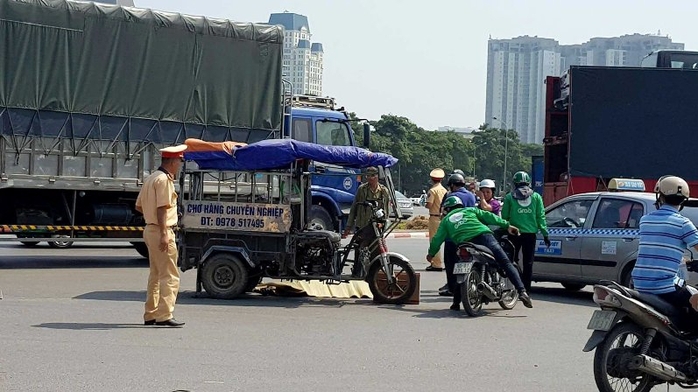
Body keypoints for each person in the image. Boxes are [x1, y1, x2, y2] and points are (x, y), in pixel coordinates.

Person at [426, 196, 533, 310]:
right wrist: (507, 225)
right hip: (484, 238)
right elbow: (490, 216)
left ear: (447, 209)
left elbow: (437, 239)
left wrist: (431, 254)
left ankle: (456, 303)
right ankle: (522, 291)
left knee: (460, 269)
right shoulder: (470, 210)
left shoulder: (446, 221)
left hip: (464, 243)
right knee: (505, 262)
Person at [135, 144, 188, 327]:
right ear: (172, 161)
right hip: (161, 230)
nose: (180, 165)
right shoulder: (164, 180)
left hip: (150, 229)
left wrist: (151, 220)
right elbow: (162, 208)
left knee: (155, 275)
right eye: (179, 161)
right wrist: (165, 232)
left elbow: (139, 205)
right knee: (170, 275)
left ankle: (150, 314)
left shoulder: (151, 178)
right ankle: (164, 315)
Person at [632, 176, 698, 313]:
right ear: (684, 201)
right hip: (665, 287)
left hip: (638, 283)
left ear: (660, 197)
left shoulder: (645, 220)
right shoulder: (683, 224)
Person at [501, 171, 549, 292]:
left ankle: (513, 287)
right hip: (530, 235)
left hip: (513, 233)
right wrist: (545, 234)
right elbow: (541, 217)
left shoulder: (509, 197)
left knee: (511, 261)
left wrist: (503, 229)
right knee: (528, 262)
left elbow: (504, 216)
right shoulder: (536, 197)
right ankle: (526, 289)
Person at [343, 166, 391, 276]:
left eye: (372, 176)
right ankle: (356, 275)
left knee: (377, 255)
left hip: (376, 229)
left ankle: (374, 278)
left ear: (377, 177)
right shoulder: (362, 189)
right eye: (368, 176)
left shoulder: (384, 191)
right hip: (362, 228)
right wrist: (348, 226)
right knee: (359, 254)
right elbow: (354, 208)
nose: (370, 178)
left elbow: (386, 212)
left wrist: (382, 225)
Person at [438, 172, 477, 294]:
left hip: (452, 236)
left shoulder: (451, 197)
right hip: (468, 235)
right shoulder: (471, 196)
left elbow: (444, 215)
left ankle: (452, 288)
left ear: (453, 185)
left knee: (450, 265)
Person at [425, 168, 448, 271]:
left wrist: (425, 204)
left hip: (434, 217)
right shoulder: (445, 190)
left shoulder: (432, 190)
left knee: (435, 241)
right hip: (444, 217)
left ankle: (436, 264)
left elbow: (429, 205)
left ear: (431, 179)